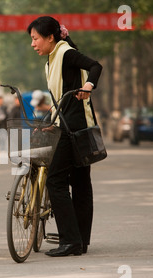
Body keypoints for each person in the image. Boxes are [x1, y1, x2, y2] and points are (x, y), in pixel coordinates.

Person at [27, 16, 102, 257]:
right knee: (80, 184)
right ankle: (79, 241)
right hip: (68, 124)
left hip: (74, 129)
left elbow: (95, 66)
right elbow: (61, 100)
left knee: (55, 181)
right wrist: (50, 122)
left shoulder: (66, 53)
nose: (33, 44)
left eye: (35, 38)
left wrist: (89, 86)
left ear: (51, 37)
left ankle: (70, 240)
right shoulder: (51, 59)